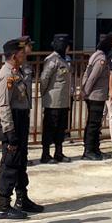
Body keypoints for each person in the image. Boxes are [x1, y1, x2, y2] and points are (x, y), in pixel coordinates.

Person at [0, 39, 42, 220]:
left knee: (21, 161)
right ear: (15, 55)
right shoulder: (6, 75)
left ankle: (22, 199)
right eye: (22, 53)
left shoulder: (18, 72)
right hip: (11, 123)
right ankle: (3, 205)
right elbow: (4, 106)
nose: (25, 55)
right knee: (10, 163)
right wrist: (10, 132)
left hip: (20, 120)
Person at [38, 34, 72, 164]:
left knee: (61, 128)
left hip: (63, 100)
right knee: (49, 128)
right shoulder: (52, 60)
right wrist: (45, 94)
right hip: (53, 101)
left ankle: (58, 152)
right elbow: (44, 78)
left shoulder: (65, 59)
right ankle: (45, 154)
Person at [81, 35, 112, 161]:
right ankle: (89, 150)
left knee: (94, 124)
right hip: (96, 95)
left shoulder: (95, 55)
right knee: (93, 124)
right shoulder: (101, 58)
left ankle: (95, 149)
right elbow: (92, 77)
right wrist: (86, 92)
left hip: (94, 95)